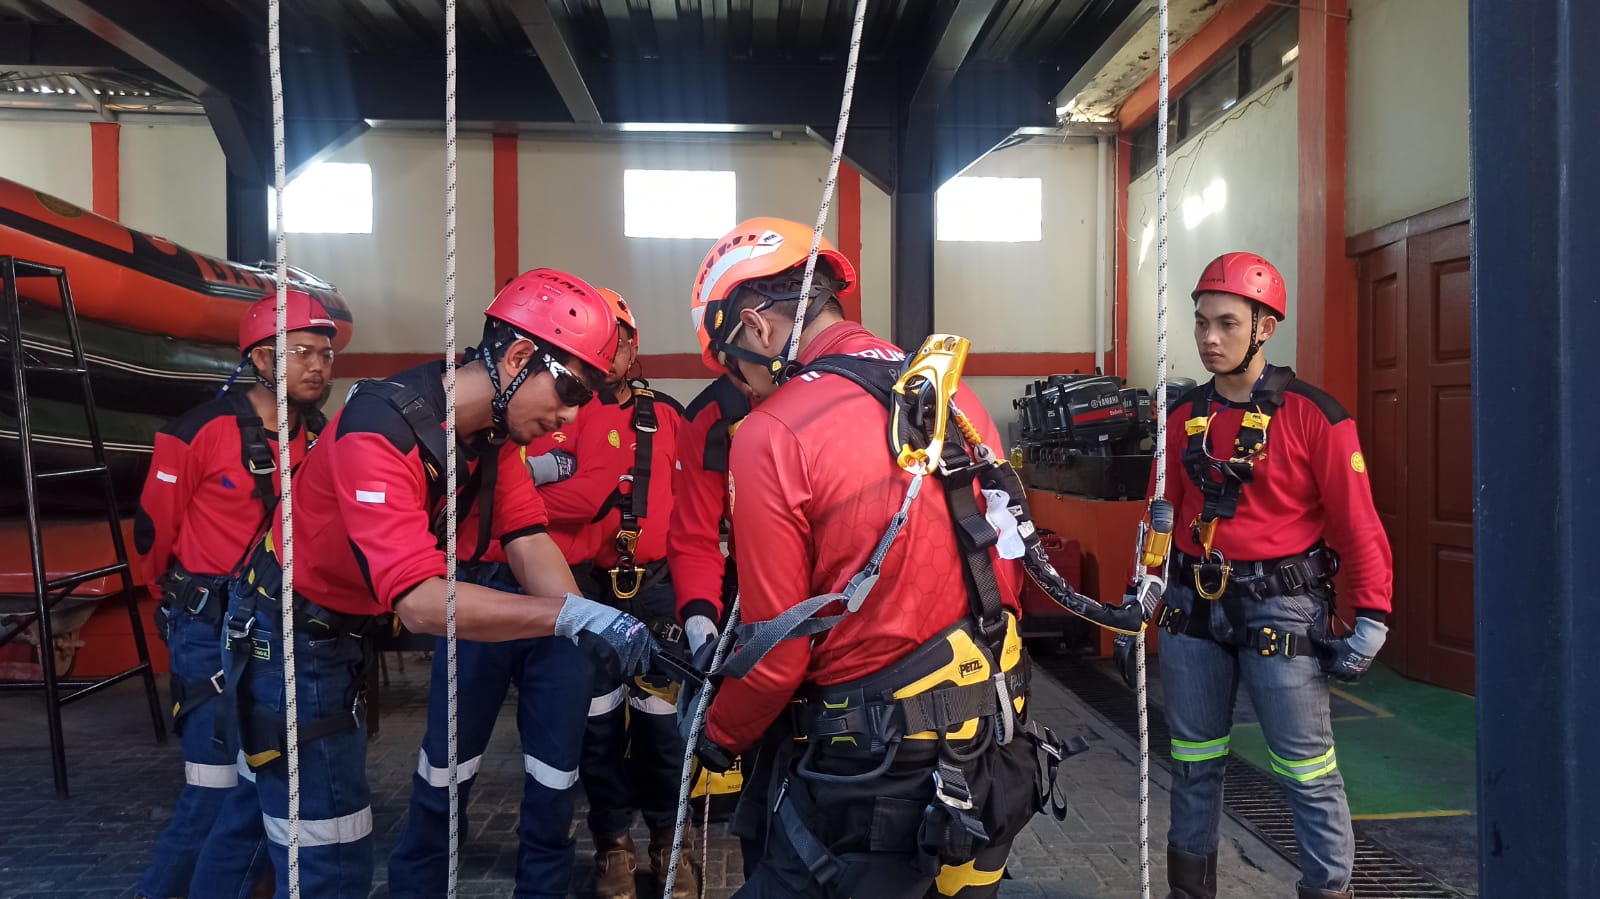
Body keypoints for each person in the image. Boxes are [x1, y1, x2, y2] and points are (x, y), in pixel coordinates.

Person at [210, 268, 662, 897]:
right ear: (519, 356)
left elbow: (527, 538)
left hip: (327, 634)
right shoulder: (381, 428)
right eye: (568, 391)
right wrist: (568, 618)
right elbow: (421, 603)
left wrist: (589, 620)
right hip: (290, 638)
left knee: (257, 827)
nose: (567, 416)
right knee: (329, 854)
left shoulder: (487, 437)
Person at [680, 217, 1062, 898]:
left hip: (875, 778)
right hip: (993, 752)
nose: (745, 389)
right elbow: (1004, 569)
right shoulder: (952, 395)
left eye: (734, 368)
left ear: (757, 329)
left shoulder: (771, 433)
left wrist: (713, 734)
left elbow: (778, 657)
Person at [1146, 252, 1393, 899]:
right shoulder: (1181, 417)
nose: (1209, 338)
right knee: (1193, 766)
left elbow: (1358, 523)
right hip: (1192, 607)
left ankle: (1328, 887)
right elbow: (1160, 513)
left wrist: (1372, 616)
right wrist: (1136, 594)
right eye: (1201, 323)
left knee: (1306, 771)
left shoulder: (1317, 416)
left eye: (1227, 323)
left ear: (1265, 328)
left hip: (1281, 609)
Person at [133, 289, 338, 899]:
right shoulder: (199, 432)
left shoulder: (323, 437)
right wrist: (177, 602)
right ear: (261, 359)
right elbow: (153, 533)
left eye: (325, 354)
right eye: (301, 352)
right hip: (208, 629)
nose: (317, 366)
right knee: (214, 788)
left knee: (267, 783)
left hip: (281, 629)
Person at [526, 288, 692, 898]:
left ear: (632, 347)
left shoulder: (667, 417)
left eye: (618, 342)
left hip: (657, 591)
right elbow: (533, 501)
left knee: (663, 729)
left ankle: (671, 842)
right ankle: (613, 845)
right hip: (588, 589)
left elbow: (694, 510)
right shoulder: (563, 413)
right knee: (596, 729)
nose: (609, 354)